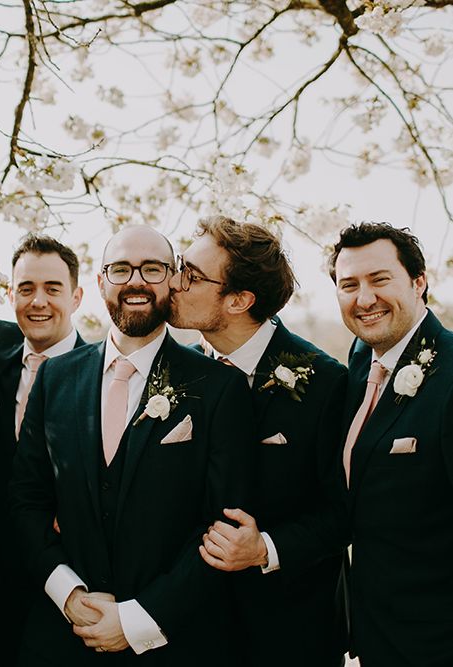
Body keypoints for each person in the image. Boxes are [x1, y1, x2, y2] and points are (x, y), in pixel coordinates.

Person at [11, 225, 254, 665]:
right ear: (101, 282)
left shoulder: (220, 388)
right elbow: (25, 500)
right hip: (64, 637)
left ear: (174, 279)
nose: (136, 281)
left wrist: (139, 618)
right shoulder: (55, 378)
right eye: (120, 269)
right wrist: (68, 593)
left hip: (173, 640)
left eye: (153, 269)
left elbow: (220, 525)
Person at [169, 215, 349, 667]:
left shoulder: (326, 384)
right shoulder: (174, 375)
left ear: (239, 300)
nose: (174, 282)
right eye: (179, 265)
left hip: (290, 635)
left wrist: (265, 548)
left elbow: (344, 512)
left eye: (191, 274)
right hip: (189, 631)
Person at [329, 222, 453, 666]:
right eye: (349, 285)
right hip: (375, 634)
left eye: (380, 279)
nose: (365, 298)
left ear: (419, 282)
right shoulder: (363, 359)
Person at [0, 233, 85, 666]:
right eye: (26, 289)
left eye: (52, 289)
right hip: (1, 576)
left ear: (77, 296)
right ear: (11, 295)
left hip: (73, 579)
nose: (38, 301)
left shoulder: (101, 374)